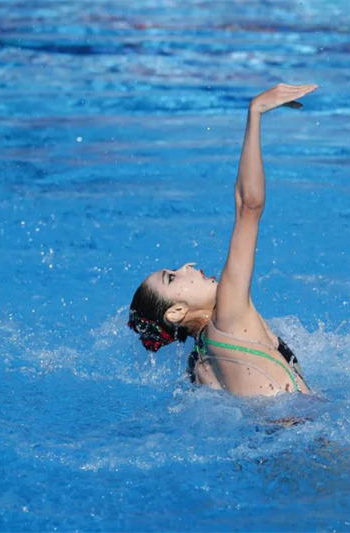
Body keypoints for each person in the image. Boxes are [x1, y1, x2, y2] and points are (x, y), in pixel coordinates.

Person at [128, 83, 317, 396]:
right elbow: (249, 206)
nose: (188, 266)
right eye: (173, 277)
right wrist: (255, 113)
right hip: (312, 433)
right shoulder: (228, 313)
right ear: (176, 312)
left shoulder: (199, 365)